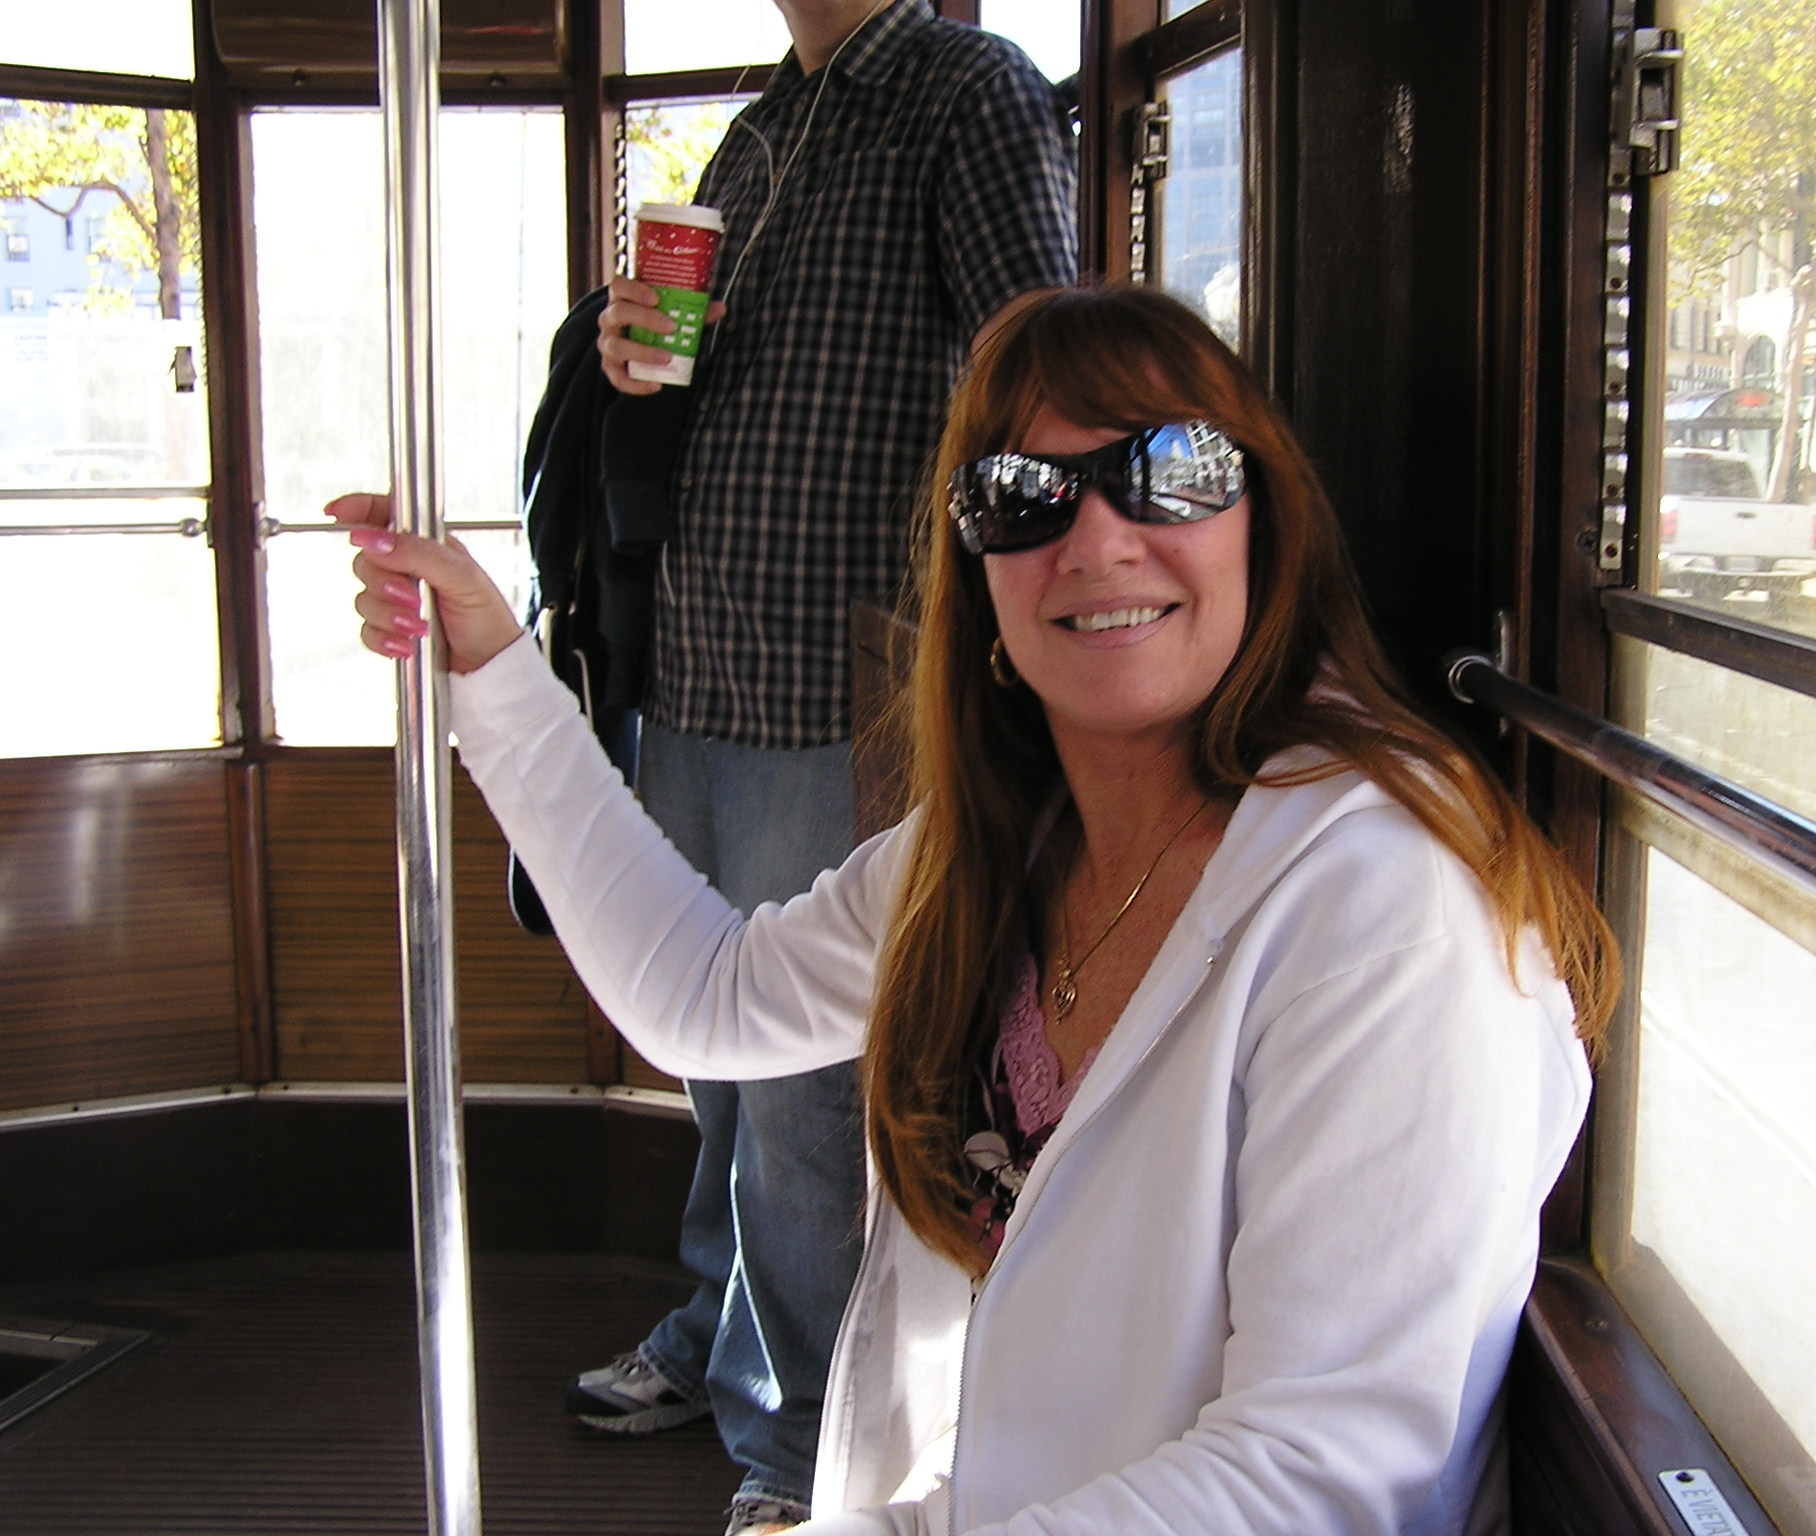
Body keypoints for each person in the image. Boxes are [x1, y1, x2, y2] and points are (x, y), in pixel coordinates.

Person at [333, 285, 1615, 1535]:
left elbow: (1326, 1475)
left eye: (1170, 471)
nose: (1097, 540)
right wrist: (492, 664)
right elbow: (704, 995)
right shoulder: (995, 855)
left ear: (1263, 526)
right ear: (981, 580)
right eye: (1021, 496)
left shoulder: (1387, 912)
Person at [551, 1, 1072, 1530]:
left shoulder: (967, 94)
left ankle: (799, 1452)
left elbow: (1042, 368)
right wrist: (630, 360)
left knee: (803, 1094)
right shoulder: (764, 123)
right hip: (692, 671)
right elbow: (712, 380)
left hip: (843, 684)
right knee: (717, 1066)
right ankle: (720, 1334)